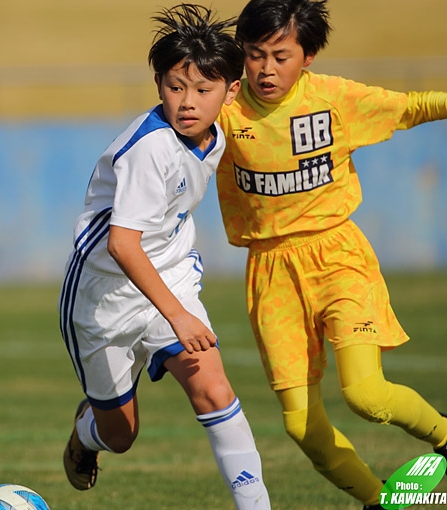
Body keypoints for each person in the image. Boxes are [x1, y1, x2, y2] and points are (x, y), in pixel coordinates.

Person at [214, 0, 447, 508]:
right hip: (270, 272)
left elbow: (411, 108)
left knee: (366, 395)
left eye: (280, 55)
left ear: (309, 55)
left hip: (337, 255)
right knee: (301, 424)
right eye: (254, 55)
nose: (265, 69)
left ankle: (445, 437)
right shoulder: (224, 111)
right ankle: (379, 501)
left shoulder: (335, 99)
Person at [58, 4, 271, 509]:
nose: (189, 102)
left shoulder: (218, 129)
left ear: (230, 91)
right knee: (121, 434)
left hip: (169, 275)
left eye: (203, 89)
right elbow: (122, 243)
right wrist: (177, 316)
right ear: (158, 84)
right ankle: (86, 434)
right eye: (176, 87)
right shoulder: (150, 148)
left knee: (214, 391)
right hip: (104, 295)